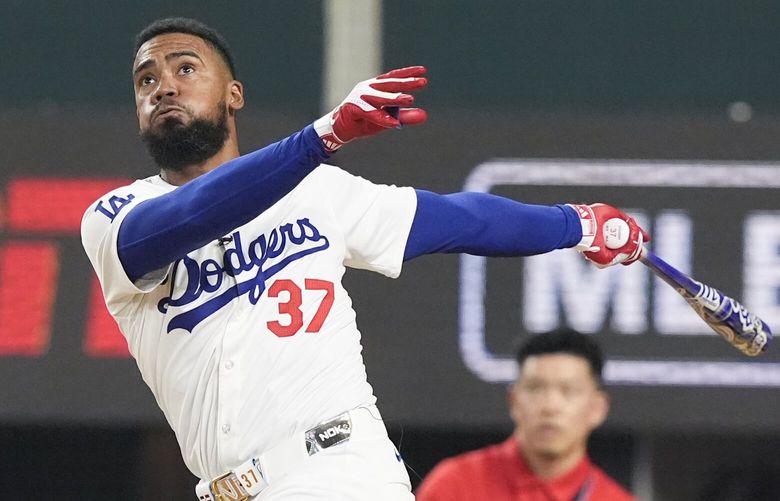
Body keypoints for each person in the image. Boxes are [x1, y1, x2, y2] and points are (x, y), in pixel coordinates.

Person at [80, 17, 649, 501]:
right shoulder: (114, 216)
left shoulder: (316, 192)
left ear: (234, 95)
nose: (163, 88)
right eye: (146, 79)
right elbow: (188, 218)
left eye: (185, 69)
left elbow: (458, 219)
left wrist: (577, 224)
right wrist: (320, 137)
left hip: (337, 469)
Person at [415, 330, 637, 501]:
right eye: (535, 389)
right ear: (513, 400)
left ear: (598, 408)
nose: (550, 406)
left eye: (568, 391)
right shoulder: (455, 485)